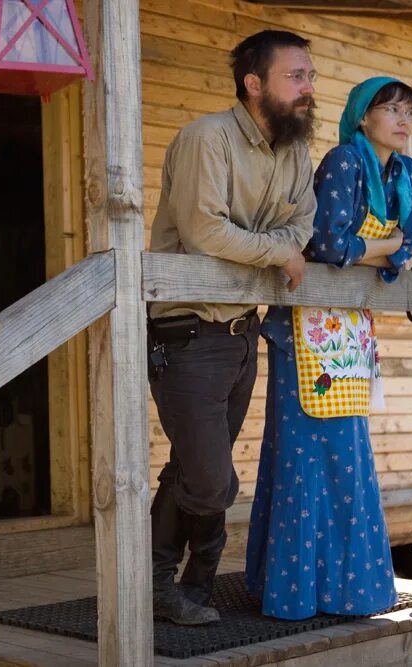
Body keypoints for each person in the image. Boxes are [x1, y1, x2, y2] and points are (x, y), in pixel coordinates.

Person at [148, 30, 318, 625]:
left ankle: (176, 591)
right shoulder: (207, 139)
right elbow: (205, 234)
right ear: (254, 83)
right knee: (212, 478)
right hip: (187, 332)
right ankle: (174, 584)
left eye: (310, 76)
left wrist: (275, 249)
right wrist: (275, 253)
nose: (308, 88)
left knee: (194, 469)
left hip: (243, 334)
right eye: (295, 76)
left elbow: (303, 230)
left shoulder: (296, 154)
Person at [243, 76, 412, 620]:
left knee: (350, 458)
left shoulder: (407, 173)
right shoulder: (344, 161)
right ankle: (292, 593)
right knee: (300, 459)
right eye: (389, 109)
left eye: (409, 111)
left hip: (350, 328)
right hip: (304, 324)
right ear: (362, 117)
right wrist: (385, 247)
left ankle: (352, 592)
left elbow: (409, 246)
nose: (402, 119)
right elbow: (325, 243)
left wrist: (376, 249)